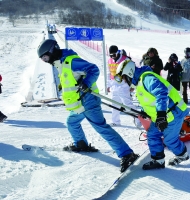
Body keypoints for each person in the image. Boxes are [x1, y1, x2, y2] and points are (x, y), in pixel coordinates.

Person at [37, 39, 139, 172]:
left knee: (101, 127)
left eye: (45, 57)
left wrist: (86, 83)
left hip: (88, 100)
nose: (46, 61)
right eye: (42, 59)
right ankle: (81, 144)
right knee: (72, 122)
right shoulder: (60, 64)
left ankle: (127, 154)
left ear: (52, 50)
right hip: (79, 104)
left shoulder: (71, 61)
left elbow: (94, 69)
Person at [115, 60, 189, 170]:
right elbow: (149, 101)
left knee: (169, 141)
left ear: (129, 73)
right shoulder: (140, 83)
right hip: (163, 115)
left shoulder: (147, 78)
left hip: (173, 112)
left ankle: (182, 155)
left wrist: (161, 115)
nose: (125, 82)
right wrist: (144, 111)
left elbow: (161, 92)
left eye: (124, 78)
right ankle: (158, 160)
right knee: (152, 134)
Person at [107, 45, 141, 127]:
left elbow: (134, 73)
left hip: (124, 85)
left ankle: (139, 120)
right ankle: (115, 121)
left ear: (118, 52)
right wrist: (108, 85)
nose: (112, 57)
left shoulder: (126, 60)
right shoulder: (110, 61)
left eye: (114, 55)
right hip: (114, 86)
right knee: (114, 104)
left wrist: (133, 85)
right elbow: (109, 73)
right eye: (110, 55)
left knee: (127, 105)